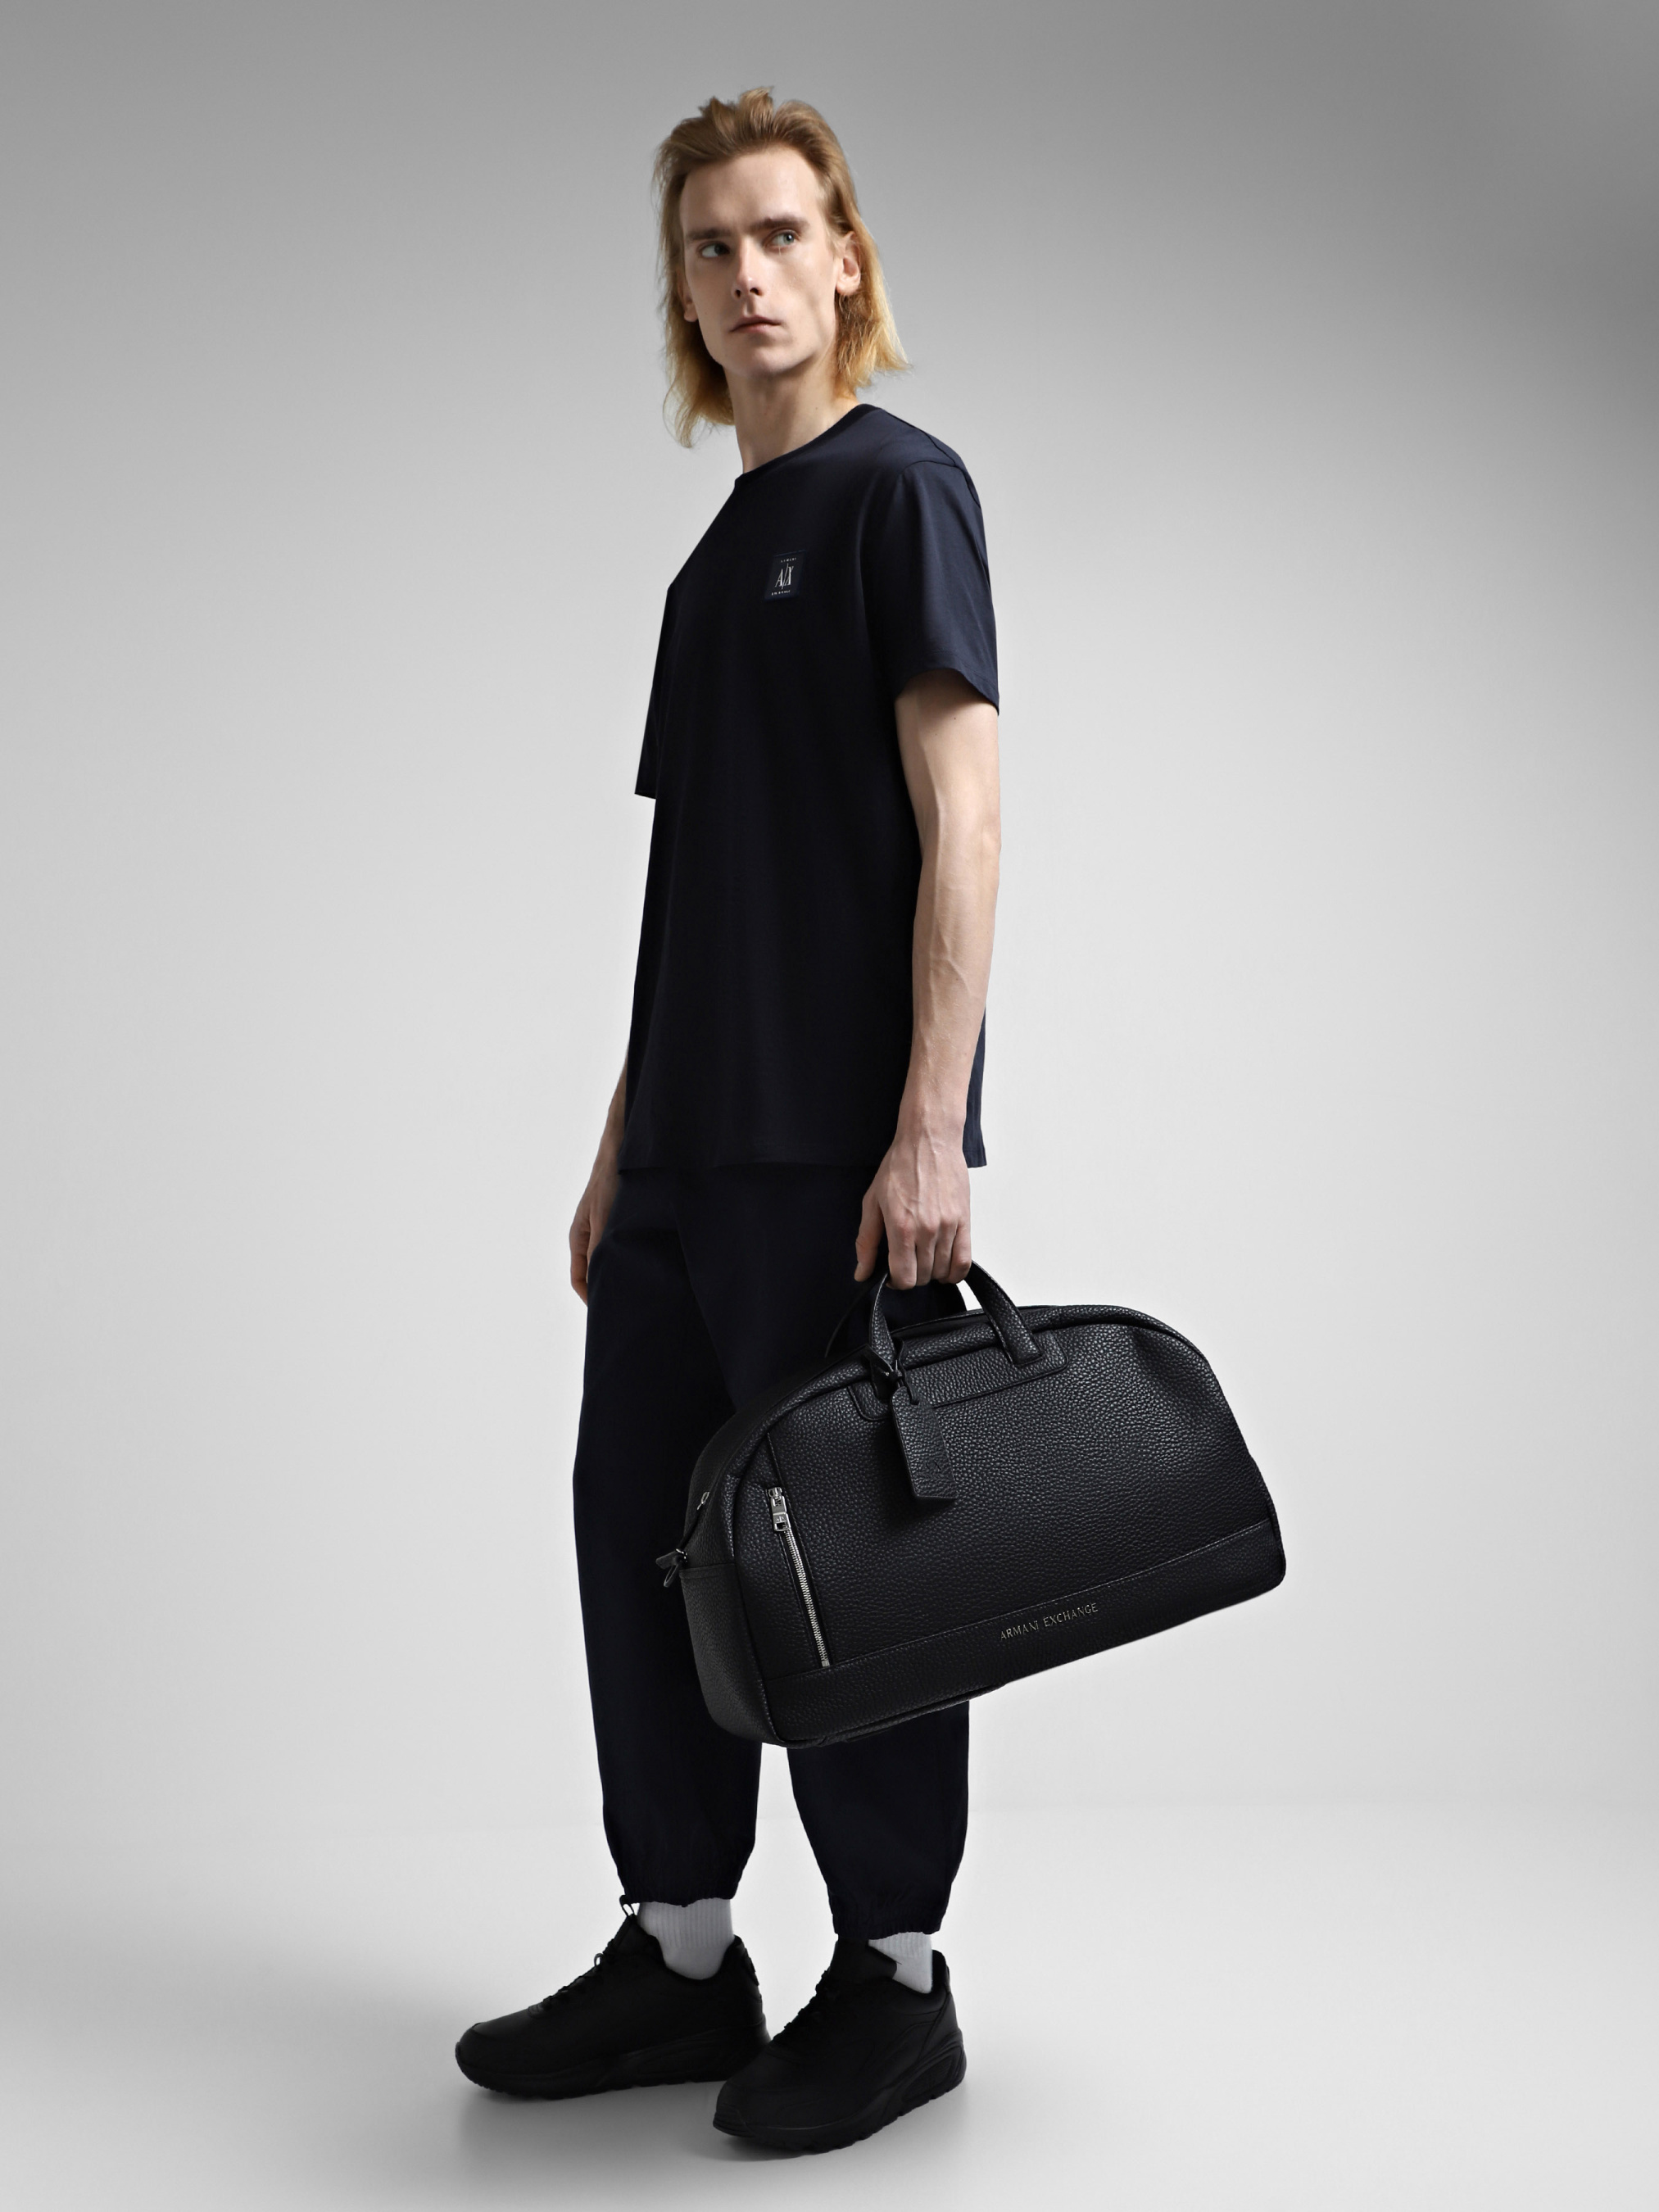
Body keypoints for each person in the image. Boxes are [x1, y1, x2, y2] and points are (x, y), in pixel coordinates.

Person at [456, 87, 1001, 2156]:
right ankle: (681, 1953)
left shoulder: (899, 496)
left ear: (844, 259)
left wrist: (928, 1126)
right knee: (643, 1543)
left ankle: (895, 1982)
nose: (748, 273)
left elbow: (964, 823)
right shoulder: (710, 569)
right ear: (681, 293)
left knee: (851, 1563)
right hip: (687, 1161)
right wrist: (622, 1146)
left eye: (781, 234)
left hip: (836, 1164)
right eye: (711, 247)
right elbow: (694, 893)